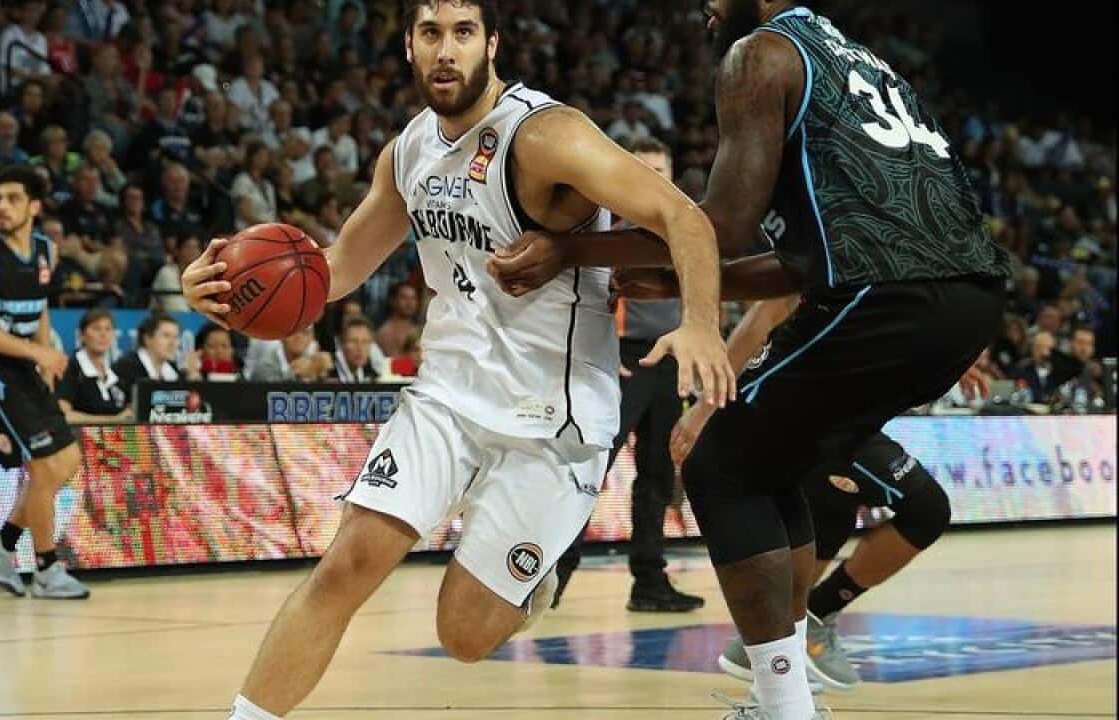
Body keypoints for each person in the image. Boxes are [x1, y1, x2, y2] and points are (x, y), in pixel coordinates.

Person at [181, 2, 729, 718]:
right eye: (431, 33)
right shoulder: (407, 152)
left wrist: (702, 325)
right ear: (409, 46)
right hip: (443, 397)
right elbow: (334, 269)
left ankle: (529, 582)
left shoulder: (545, 135)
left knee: (463, 634)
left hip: (550, 417)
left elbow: (681, 215)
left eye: (463, 33)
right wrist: (224, 292)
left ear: (492, 43)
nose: (447, 50)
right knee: (344, 566)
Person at [487, 3, 1011, 718]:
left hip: (888, 298)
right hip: (966, 300)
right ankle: (790, 679)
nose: (701, 6)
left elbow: (722, 227)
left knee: (719, 464)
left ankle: (784, 702)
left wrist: (570, 251)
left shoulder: (759, 54)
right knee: (770, 465)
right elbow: (803, 262)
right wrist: (678, 278)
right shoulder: (865, 63)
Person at [665, 295, 974, 693]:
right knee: (926, 508)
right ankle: (805, 624)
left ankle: (772, 647)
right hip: (799, 408)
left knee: (829, 511)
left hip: (833, 412)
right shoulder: (826, 251)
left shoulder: (888, 264)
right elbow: (766, 311)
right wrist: (704, 410)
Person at [552, 137, 704, 614]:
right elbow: (577, 304)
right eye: (645, 168)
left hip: (671, 363)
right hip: (622, 360)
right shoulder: (610, 235)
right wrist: (597, 351)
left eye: (662, 169)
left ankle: (649, 580)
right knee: (590, 471)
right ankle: (550, 573)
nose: (655, 177)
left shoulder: (687, 234)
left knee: (657, 477)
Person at [0, 165, 89, 599]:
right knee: (43, 468)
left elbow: (39, 307)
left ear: (34, 206)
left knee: (66, 461)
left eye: (13, 198)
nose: (2, 206)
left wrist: (44, 354)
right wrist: (38, 352)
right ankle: (48, 569)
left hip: (27, 368)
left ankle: (2, 546)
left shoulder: (46, 250)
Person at [56, 308, 131, 424]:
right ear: (82, 335)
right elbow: (63, 415)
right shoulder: (71, 368)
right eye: (96, 328)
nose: (103, 334)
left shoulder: (115, 373)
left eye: (108, 329)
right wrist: (112, 420)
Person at [112, 311, 184, 401]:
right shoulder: (126, 368)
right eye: (166, 336)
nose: (172, 343)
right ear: (147, 338)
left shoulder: (174, 370)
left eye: (176, 337)